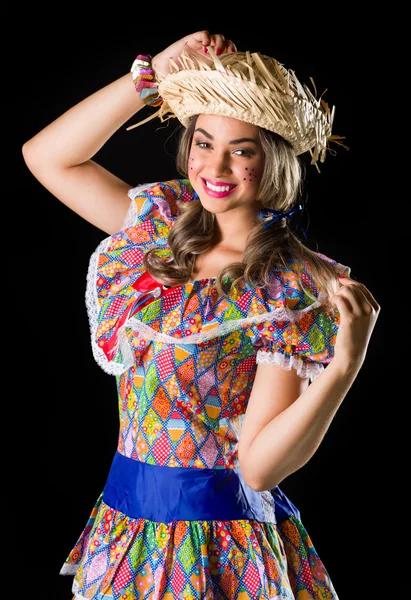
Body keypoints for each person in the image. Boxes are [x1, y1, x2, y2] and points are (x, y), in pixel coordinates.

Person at [23, 30, 380, 600]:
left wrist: (343, 366)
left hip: (213, 543)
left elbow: (260, 470)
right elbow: (47, 157)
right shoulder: (160, 227)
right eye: (203, 141)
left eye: (243, 149)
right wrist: (155, 74)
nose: (215, 165)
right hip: (127, 524)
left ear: (274, 159)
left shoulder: (287, 287)